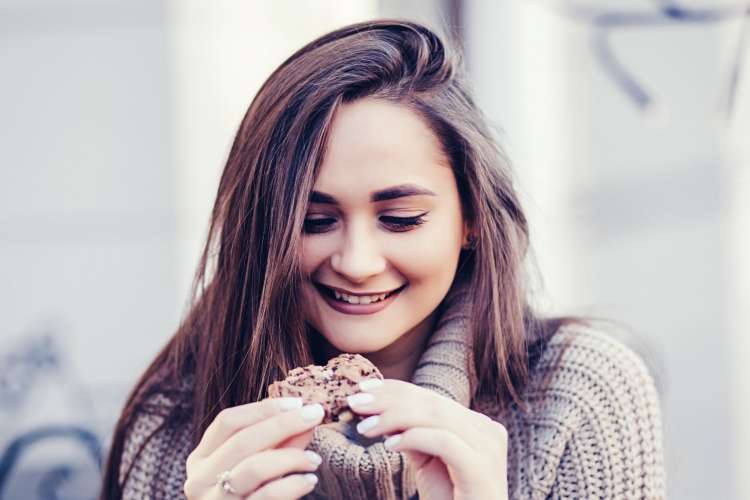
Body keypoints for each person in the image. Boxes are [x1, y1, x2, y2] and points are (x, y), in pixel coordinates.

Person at [99, 19, 666, 500]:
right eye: (313, 221)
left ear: (470, 219)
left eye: (400, 219)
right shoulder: (179, 425)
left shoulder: (578, 397)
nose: (358, 261)